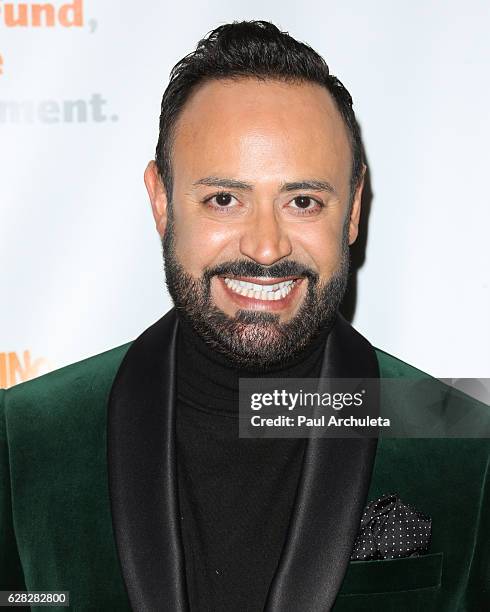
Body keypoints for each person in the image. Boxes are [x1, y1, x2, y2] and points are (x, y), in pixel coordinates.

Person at [1, 20, 488, 612]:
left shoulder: (464, 440)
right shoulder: (24, 437)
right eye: (224, 200)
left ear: (353, 209)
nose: (265, 247)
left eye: (302, 201)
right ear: (161, 200)